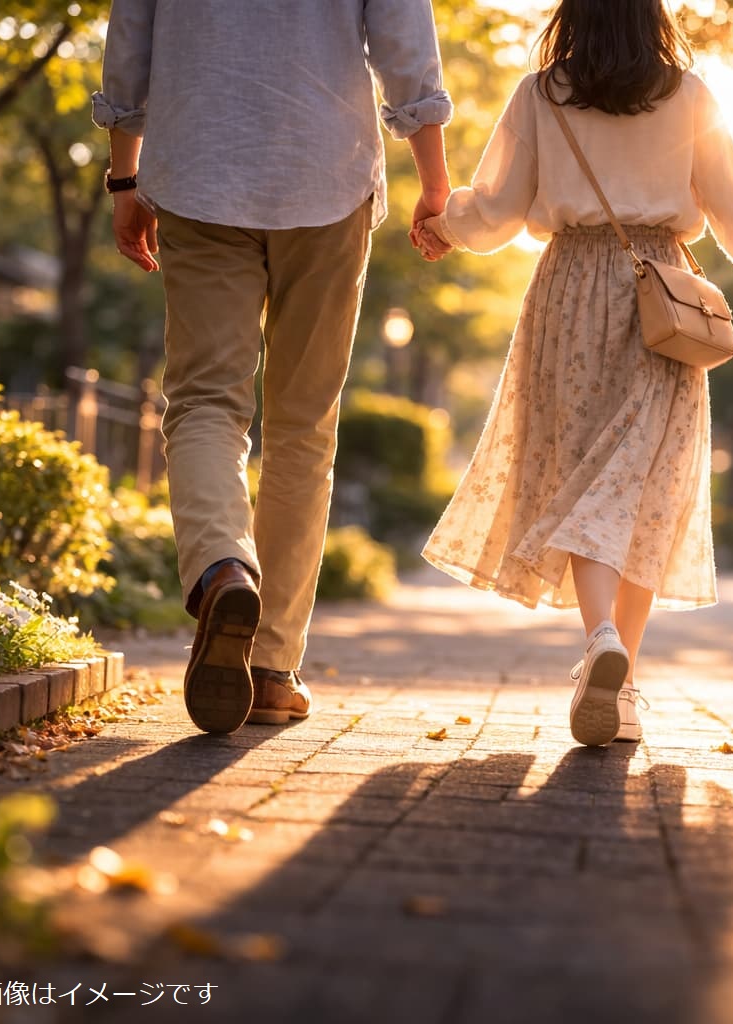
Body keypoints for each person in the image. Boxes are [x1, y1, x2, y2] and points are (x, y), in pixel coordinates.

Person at [413, 0, 733, 747]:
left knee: (581, 469)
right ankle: (621, 675)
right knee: (648, 484)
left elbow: (501, 207)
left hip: (570, 289)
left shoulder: (543, 92)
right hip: (661, 294)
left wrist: (444, 225)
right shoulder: (690, 93)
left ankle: (601, 640)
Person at [92, 1, 453, 734]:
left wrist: (124, 179)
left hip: (198, 168)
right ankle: (271, 665)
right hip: (327, 174)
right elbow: (403, 41)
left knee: (203, 406)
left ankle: (223, 567)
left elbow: (130, 39)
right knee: (303, 427)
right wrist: (435, 181)